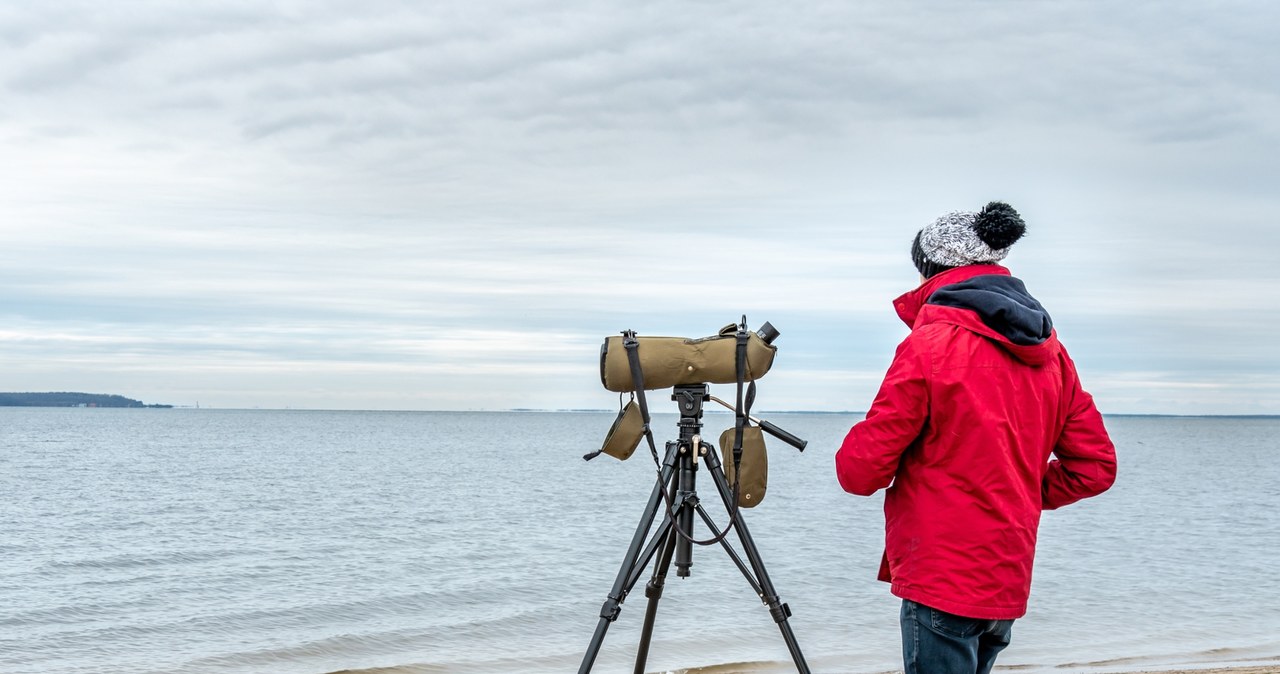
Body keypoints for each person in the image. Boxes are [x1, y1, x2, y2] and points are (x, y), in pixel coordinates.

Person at [834, 201, 1117, 674]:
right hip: (1005, 572)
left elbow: (859, 473)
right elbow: (1094, 468)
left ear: (929, 271)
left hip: (943, 570)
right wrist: (1019, 487)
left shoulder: (929, 345)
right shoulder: (1052, 354)